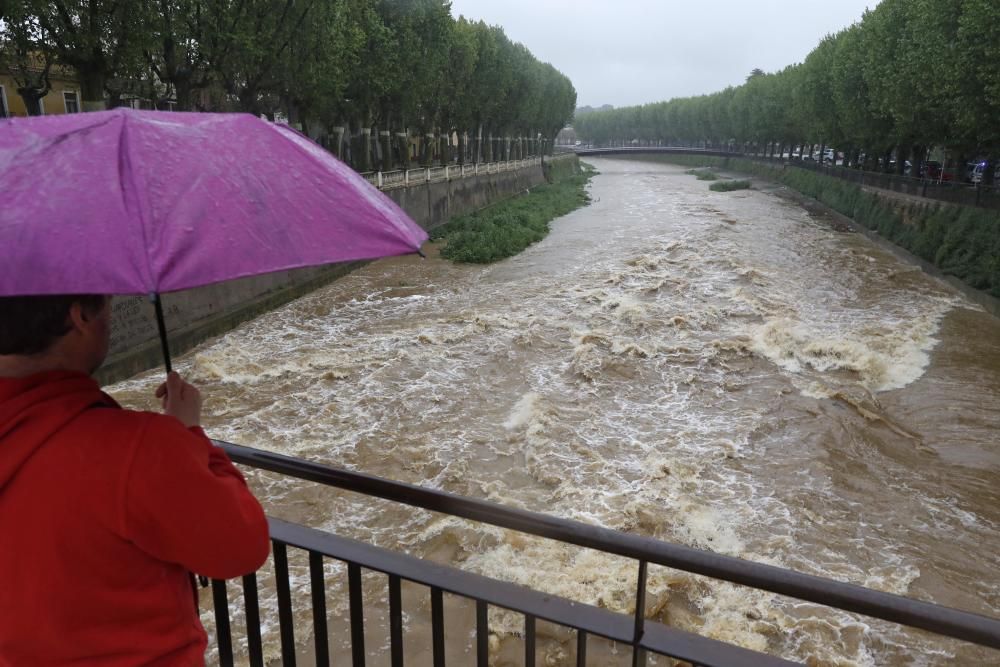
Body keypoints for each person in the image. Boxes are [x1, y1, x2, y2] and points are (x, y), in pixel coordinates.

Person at [0, 295, 270, 666]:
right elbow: (242, 545)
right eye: (108, 302)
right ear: (80, 316)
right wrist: (188, 432)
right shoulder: (132, 447)